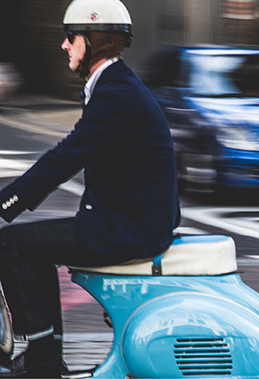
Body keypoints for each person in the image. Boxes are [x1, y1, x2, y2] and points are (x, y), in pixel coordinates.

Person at [0, 0, 179, 376]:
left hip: (127, 228)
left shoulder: (115, 96)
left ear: (95, 41)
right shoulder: (114, 86)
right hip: (127, 219)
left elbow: (64, 158)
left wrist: (5, 204)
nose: (65, 45)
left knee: (9, 244)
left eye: (71, 37)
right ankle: (46, 356)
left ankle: (43, 357)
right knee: (34, 248)